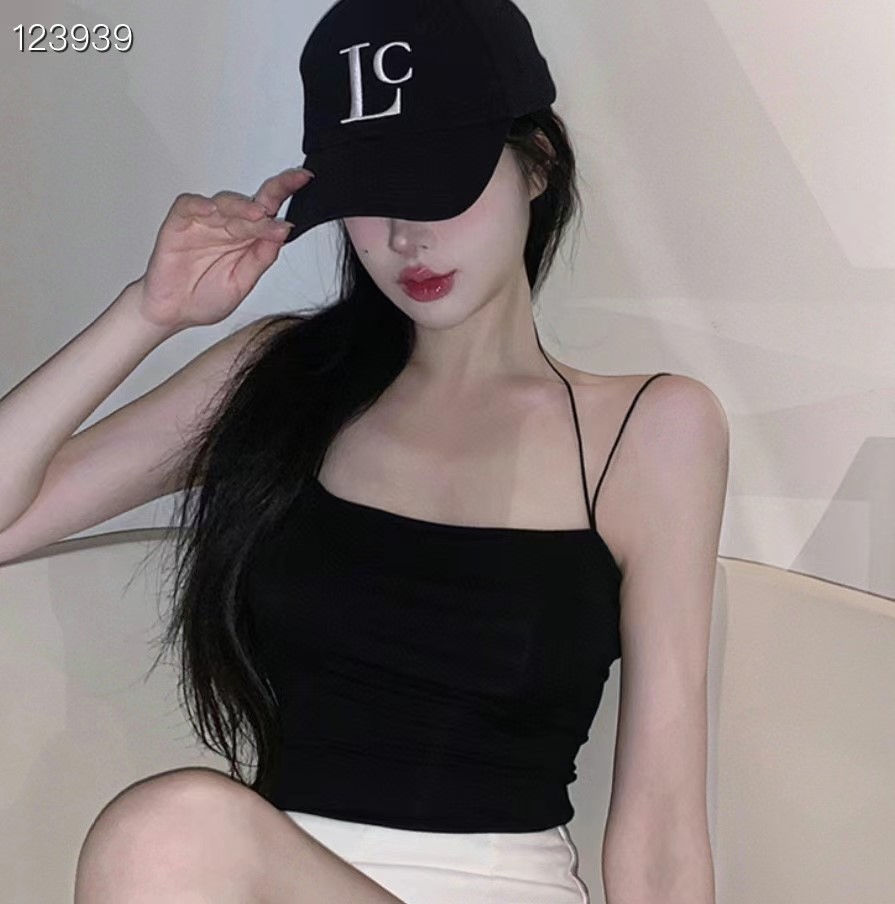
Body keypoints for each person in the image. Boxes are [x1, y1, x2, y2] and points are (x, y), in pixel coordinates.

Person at [0, 0, 728, 901]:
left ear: (536, 164)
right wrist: (148, 313)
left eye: (438, 185)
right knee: (174, 837)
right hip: (261, 878)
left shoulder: (647, 430)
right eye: (367, 197)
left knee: (171, 828)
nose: (403, 236)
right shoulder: (283, 380)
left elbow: (660, 823)